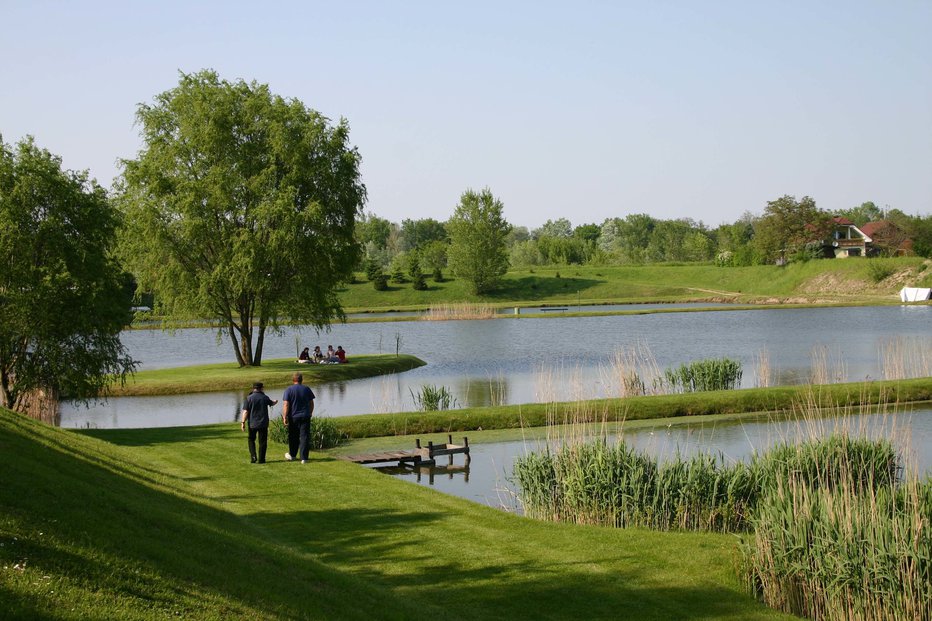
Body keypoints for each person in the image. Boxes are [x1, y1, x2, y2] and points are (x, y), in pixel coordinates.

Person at [240, 382, 278, 464]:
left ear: (253, 388)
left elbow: (245, 411)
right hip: (263, 423)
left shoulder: (249, 398)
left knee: (251, 440)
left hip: (252, 423)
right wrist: (276, 401)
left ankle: (253, 456)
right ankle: (262, 459)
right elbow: (272, 403)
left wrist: (243, 422)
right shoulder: (265, 397)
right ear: (261, 388)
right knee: (263, 442)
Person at [282, 372, 315, 463]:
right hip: (305, 416)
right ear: (301, 380)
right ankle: (304, 458)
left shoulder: (289, 390)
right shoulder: (306, 389)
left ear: (293, 380)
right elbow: (311, 402)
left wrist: (284, 416)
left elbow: (286, 404)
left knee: (293, 436)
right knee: (304, 437)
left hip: (293, 417)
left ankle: (292, 455)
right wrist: (310, 412)